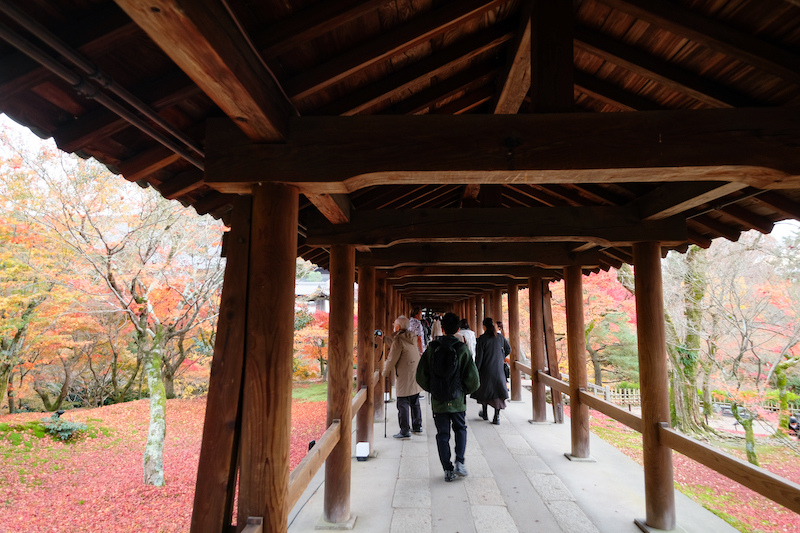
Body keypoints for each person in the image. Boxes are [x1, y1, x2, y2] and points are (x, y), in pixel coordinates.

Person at [416, 312, 479, 482]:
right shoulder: (462, 349)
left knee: (442, 435)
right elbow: (474, 381)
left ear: (442, 329)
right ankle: (459, 461)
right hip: (457, 401)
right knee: (460, 429)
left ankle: (447, 469)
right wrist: (462, 390)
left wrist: (433, 389)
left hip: (439, 401)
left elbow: (420, 376)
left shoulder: (432, 348)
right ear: (458, 329)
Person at [382, 315, 423, 438]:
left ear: (398, 327)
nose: (393, 326)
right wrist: (384, 339)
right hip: (414, 372)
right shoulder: (410, 337)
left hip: (404, 375)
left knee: (403, 402)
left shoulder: (399, 340)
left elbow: (391, 359)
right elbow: (398, 344)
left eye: (394, 324)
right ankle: (417, 426)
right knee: (414, 400)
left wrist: (384, 372)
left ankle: (405, 430)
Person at [472, 317, 510, 425]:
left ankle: (484, 413)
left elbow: (479, 357)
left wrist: (476, 370)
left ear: (484, 326)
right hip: (498, 369)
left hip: (486, 369)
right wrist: (500, 357)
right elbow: (508, 349)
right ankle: (496, 417)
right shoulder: (500, 337)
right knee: (498, 392)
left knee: (484, 391)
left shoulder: (482, 339)